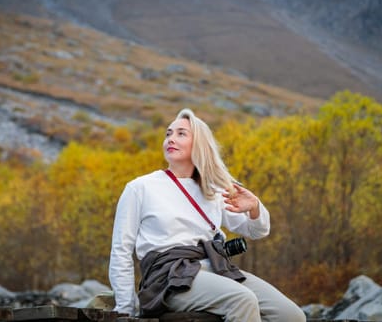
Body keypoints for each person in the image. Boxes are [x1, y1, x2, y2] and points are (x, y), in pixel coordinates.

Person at [109, 108, 305, 322]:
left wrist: (254, 206)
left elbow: (257, 231)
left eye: (181, 133)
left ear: (199, 144)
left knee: (291, 315)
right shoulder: (141, 188)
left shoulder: (213, 189)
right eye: (168, 133)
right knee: (242, 300)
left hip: (217, 269)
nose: (170, 139)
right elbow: (121, 250)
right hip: (169, 277)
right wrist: (125, 308)